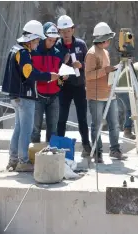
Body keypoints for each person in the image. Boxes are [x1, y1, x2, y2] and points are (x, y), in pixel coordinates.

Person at [1, 20, 60, 172]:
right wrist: (49, 76)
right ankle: (23, 161)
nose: (38, 43)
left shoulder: (15, 49)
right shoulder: (24, 53)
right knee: (25, 130)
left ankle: (13, 160)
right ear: (32, 39)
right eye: (37, 40)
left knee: (18, 129)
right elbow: (30, 73)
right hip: (25, 96)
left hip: (16, 96)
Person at [85, 22, 127, 162]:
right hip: (96, 95)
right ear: (102, 39)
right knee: (97, 125)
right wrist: (105, 71)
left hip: (109, 94)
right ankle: (97, 152)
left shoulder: (105, 52)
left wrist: (112, 71)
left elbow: (105, 71)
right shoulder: (91, 54)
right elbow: (89, 75)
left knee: (114, 124)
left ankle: (115, 150)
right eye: (108, 38)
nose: (109, 41)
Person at [55, 15, 92, 157]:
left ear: (73, 29)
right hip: (63, 87)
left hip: (79, 86)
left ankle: (86, 146)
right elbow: (54, 67)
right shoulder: (57, 46)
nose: (65, 34)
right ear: (59, 31)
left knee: (82, 117)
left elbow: (88, 64)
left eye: (68, 30)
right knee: (62, 118)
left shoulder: (81, 45)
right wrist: (64, 64)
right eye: (62, 31)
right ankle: (59, 148)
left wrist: (81, 65)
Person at [31, 22, 68, 143]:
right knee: (35, 129)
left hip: (54, 97)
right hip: (38, 96)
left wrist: (63, 79)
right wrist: (48, 77)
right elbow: (32, 75)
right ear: (43, 37)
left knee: (53, 130)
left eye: (54, 40)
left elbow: (59, 80)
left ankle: (50, 158)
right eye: (49, 40)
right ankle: (34, 157)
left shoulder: (58, 53)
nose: (52, 43)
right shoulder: (34, 52)